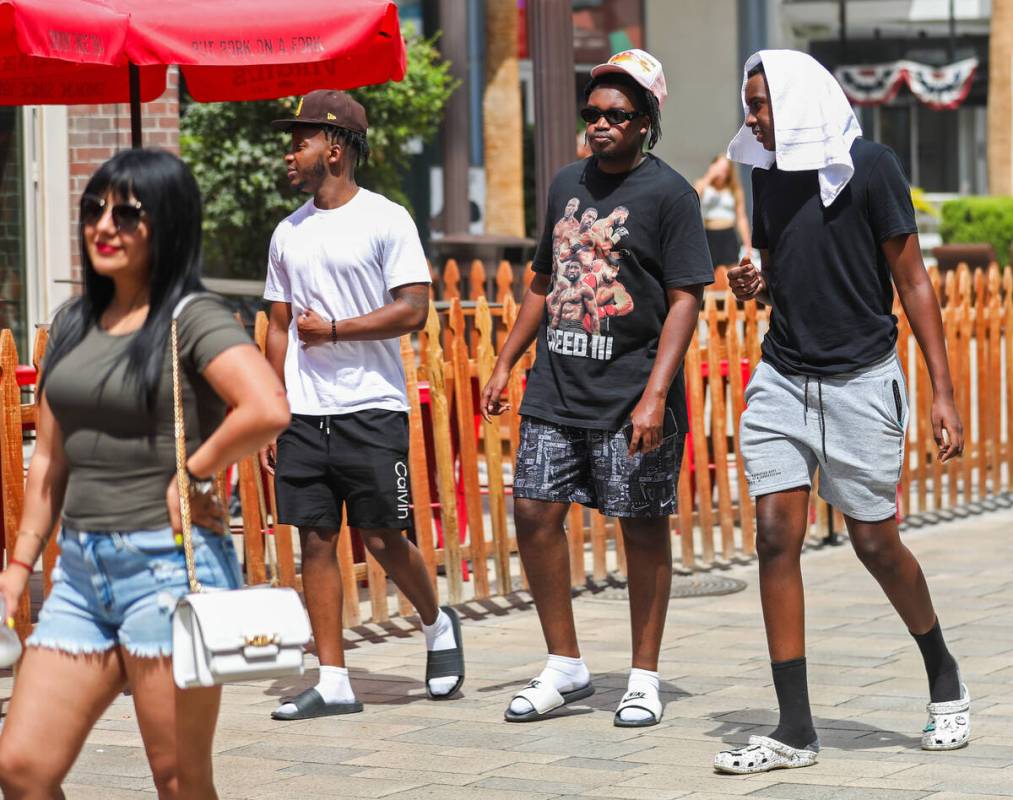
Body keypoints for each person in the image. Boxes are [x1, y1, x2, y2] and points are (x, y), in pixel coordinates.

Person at [0, 149, 289, 798]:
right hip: (79, 575)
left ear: (168, 223)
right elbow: (48, 458)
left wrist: (195, 468)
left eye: (128, 213)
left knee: (179, 779)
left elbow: (267, 406)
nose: (105, 225)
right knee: (21, 767)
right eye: (94, 209)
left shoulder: (192, 318)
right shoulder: (74, 322)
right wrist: (18, 568)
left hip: (167, 567)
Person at [712, 51, 969, 775]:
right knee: (772, 535)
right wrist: (750, 282)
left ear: (795, 100)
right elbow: (775, 267)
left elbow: (912, 280)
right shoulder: (764, 174)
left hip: (860, 380)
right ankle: (794, 730)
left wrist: (942, 392)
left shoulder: (872, 166)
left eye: (760, 104)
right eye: (748, 105)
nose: (751, 119)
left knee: (873, 543)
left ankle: (943, 673)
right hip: (782, 376)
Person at [481, 48, 713, 728]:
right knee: (532, 513)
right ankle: (565, 665)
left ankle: (643, 677)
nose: (599, 125)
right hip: (557, 385)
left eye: (616, 114)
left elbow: (683, 300)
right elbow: (543, 283)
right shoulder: (563, 184)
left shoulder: (672, 196)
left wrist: (653, 395)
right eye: (592, 114)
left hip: (631, 394)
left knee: (640, 529)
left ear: (646, 121)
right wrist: (504, 361)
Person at [261, 90, 465, 721]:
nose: (290, 151)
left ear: (337, 147)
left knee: (382, 536)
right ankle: (334, 678)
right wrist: (273, 404)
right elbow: (274, 325)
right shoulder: (286, 233)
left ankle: (437, 623)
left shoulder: (387, 218)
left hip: (372, 406)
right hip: (303, 410)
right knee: (315, 541)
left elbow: (413, 308)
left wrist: (337, 330)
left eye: (302, 139)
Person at [693, 155, 751, 268]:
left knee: (731, 269)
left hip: (728, 234)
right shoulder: (703, 184)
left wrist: (747, 243)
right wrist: (710, 175)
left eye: (724, 170)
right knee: (708, 271)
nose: (721, 173)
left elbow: (741, 218)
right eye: (718, 168)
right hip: (708, 234)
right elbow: (693, 197)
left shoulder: (734, 189)